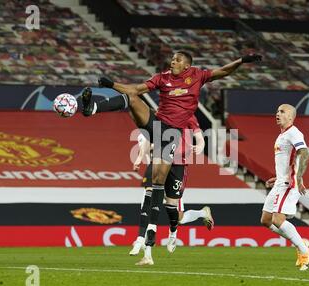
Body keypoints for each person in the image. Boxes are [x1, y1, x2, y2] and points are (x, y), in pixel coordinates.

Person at [81, 51, 262, 265]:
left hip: (171, 135)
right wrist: (111, 84)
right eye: (172, 59)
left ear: (186, 65)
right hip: (157, 125)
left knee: (161, 189)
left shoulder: (197, 76)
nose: (172, 61)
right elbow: (135, 89)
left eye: (177, 59)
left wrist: (241, 61)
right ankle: (91, 108)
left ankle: (152, 243)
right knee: (131, 98)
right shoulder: (162, 77)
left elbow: (222, 71)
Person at [130, 131, 214, 260]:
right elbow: (145, 147)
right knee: (146, 207)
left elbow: (180, 149)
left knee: (179, 217)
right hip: (155, 176)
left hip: (171, 176)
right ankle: (140, 241)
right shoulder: (144, 134)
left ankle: (203, 213)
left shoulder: (172, 132)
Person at [260, 104, 309, 271]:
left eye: (282, 112)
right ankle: (301, 245)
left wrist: (298, 177)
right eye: (277, 111)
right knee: (266, 220)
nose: (277, 114)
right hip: (280, 182)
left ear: (291, 117)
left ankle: (304, 251)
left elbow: (304, 153)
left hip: (289, 184)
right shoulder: (282, 135)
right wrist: (277, 177)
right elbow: (289, 161)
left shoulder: (294, 133)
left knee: (277, 219)